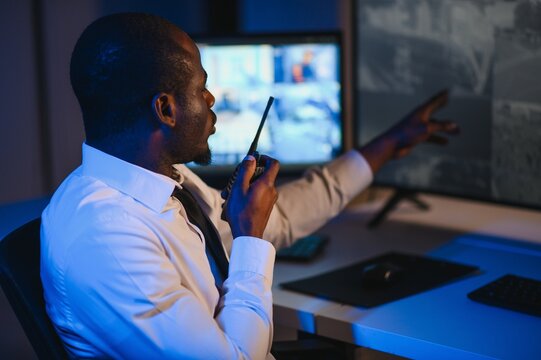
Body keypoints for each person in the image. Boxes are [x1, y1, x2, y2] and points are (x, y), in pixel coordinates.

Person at [40, 13, 459, 360]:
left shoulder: (164, 180)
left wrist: (388, 145)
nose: (211, 100)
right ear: (166, 109)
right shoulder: (107, 237)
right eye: (201, 88)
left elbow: (282, 218)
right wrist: (249, 236)